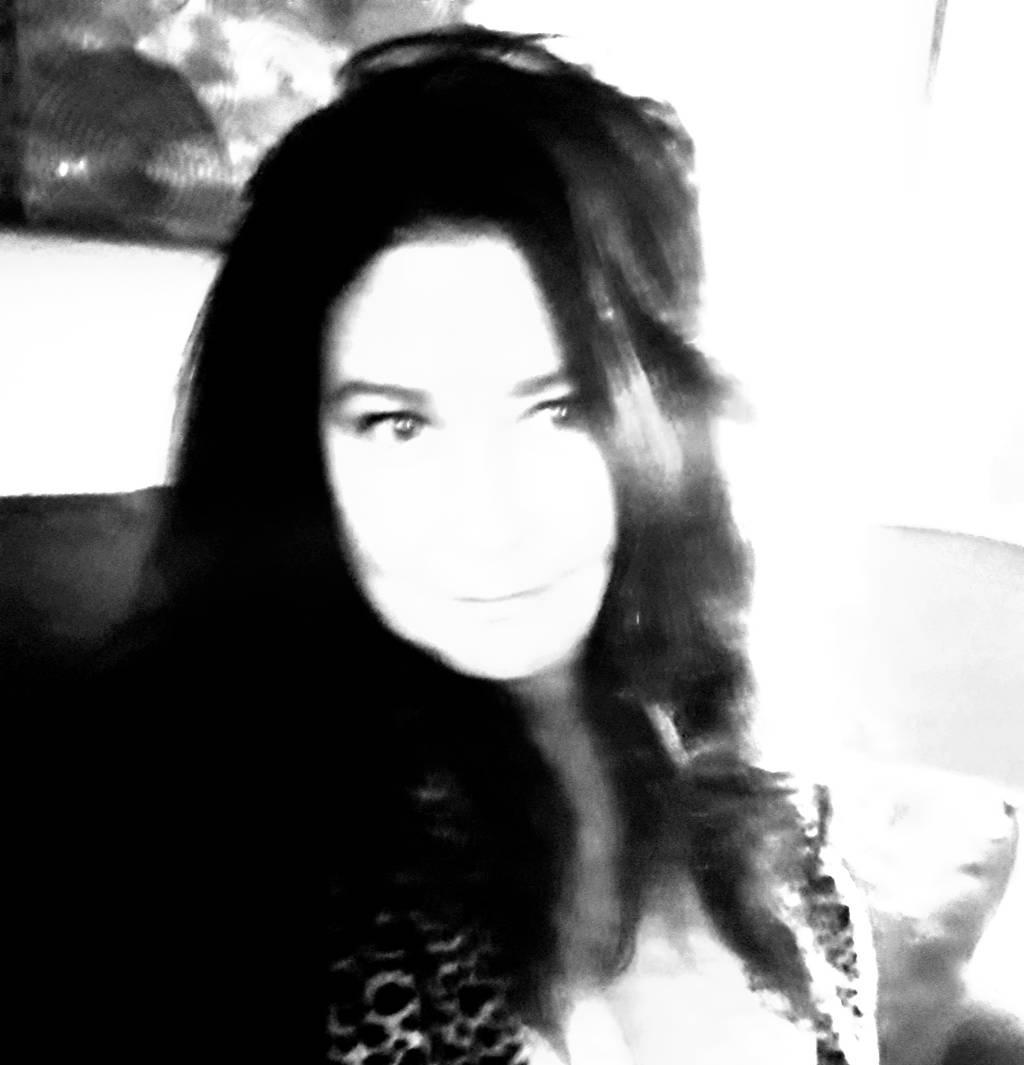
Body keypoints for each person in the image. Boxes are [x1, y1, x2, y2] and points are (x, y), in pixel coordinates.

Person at [59, 25, 878, 1064]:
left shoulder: (758, 779)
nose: (488, 520)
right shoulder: (196, 826)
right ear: (299, 450)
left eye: (563, 410)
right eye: (397, 425)